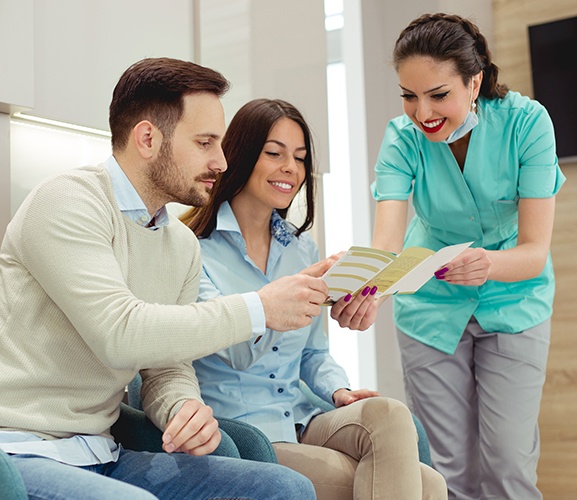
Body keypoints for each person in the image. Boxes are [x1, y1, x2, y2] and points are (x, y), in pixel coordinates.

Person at [0, 57, 332, 499]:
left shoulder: (179, 244)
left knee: (283, 489)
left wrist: (182, 406)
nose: (221, 160)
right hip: (23, 452)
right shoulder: (67, 202)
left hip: (105, 452)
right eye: (205, 143)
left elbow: (166, 365)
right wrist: (260, 308)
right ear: (148, 138)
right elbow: (121, 332)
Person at [181, 98, 448, 500]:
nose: (291, 168)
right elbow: (234, 352)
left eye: (300, 158)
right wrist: (283, 298)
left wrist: (339, 391)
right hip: (244, 431)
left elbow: (313, 354)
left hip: (303, 418)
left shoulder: (301, 250)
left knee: (390, 415)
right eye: (274, 153)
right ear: (240, 156)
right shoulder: (193, 250)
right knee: (426, 485)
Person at [370, 13, 566, 500]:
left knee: (508, 466)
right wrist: (364, 283)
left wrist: (487, 266)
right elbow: (386, 244)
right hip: (429, 306)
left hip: (514, 299)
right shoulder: (402, 138)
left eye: (439, 95)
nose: (422, 112)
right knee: (444, 472)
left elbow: (534, 253)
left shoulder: (527, 123)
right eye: (409, 96)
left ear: (474, 81)